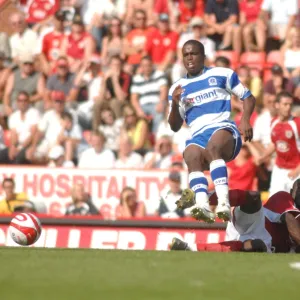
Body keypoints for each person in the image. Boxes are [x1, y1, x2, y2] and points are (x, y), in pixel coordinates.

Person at [168, 40, 256, 222]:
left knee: (213, 147)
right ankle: (203, 205)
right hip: (198, 135)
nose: (189, 57)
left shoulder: (222, 74)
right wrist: (176, 103)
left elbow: (247, 97)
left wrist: (245, 119)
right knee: (190, 155)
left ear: (203, 56)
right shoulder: (177, 88)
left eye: (193, 53)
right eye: (186, 54)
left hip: (224, 129)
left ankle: (223, 202)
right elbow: (175, 126)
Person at [172, 189, 271, 252]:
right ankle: (200, 198)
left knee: (255, 245)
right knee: (254, 197)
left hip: (246, 242)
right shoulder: (283, 207)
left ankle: (189, 247)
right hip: (255, 223)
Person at [258, 92, 300, 195]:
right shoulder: (273, 122)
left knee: (295, 204)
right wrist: (263, 156)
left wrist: (297, 170)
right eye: (285, 104)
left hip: (295, 169)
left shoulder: (296, 124)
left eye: (290, 105)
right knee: (274, 202)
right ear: (277, 105)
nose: (288, 107)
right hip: (279, 170)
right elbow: (274, 143)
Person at [0, 91, 40, 164]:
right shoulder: (14, 116)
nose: (22, 103)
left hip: (28, 146)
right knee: (3, 155)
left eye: (25, 100)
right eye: (20, 100)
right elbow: (13, 135)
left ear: (28, 102)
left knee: (19, 158)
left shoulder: (34, 113)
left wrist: (20, 148)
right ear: (17, 102)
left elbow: (33, 134)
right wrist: (12, 147)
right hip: (18, 145)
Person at [130, 56, 168, 132]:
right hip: (142, 106)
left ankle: (155, 137)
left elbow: (164, 90)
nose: (146, 68)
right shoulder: (137, 78)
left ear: (152, 65)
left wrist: (161, 103)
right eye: (144, 66)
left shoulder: (159, 74)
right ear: (141, 67)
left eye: (148, 65)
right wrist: (138, 110)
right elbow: (134, 98)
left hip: (156, 103)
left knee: (158, 115)